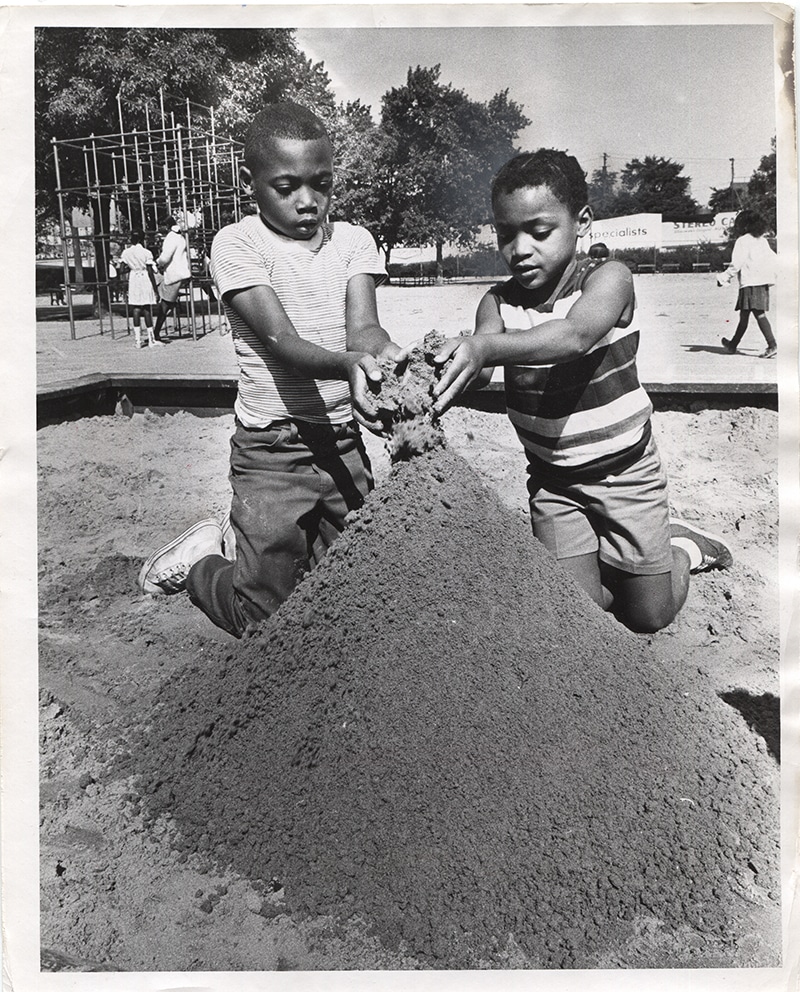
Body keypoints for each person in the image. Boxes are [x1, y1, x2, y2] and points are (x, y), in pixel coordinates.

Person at [431, 148, 732, 634]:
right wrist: (431, 372)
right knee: (578, 616)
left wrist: (484, 347)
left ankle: (683, 548)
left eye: (539, 231)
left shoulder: (608, 279)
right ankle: (610, 563)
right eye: (506, 234)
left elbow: (575, 337)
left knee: (648, 616)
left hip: (625, 474)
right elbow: (480, 371)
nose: (520, 249)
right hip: (553, 481)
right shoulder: (498, 301)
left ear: (582, 222)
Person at [138, 102, 401, 637]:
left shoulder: (353, 242)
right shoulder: (237, 244)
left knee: (358, 589)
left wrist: (386, 355)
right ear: (249, 182)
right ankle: (199, 566)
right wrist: (348, 364)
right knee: (264, 618)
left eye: (321, 184)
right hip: (271, 451)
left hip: (342, 443)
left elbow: (364, 331)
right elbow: (282, 341)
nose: (308, 202)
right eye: (287, 186)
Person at [718, 209, 778, 359]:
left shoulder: (743, 241)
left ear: (744, 225)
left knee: (758, 314)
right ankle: (732, 345)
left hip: (750, 283)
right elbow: (774, 259)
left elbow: (736, 263)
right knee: (744, 315)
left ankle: (772, 345)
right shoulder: (762, 240)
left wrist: (724, 277)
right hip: (762, 282)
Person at [152, 216, 191, 342]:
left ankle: (155, 332)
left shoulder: (171, 237)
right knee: (166, 304)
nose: (159, 229)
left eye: (161, 226)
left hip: (174, 274)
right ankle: (156, 331)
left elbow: (165, 257)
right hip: (179, 272)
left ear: (166, 226)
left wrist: (157, 262)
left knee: (164, 305)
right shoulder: (179, 236)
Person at [119, 230, 160, 348]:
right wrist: (155, 288)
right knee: (146, 308)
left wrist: (131, 269)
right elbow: (150, 271)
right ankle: (151, 339)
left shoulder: (126, 253)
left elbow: (121, 270)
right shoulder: (146, 252)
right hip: (144, 278)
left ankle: (137, 340)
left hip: (134, 279)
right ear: (142, 239)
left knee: (136, 308)